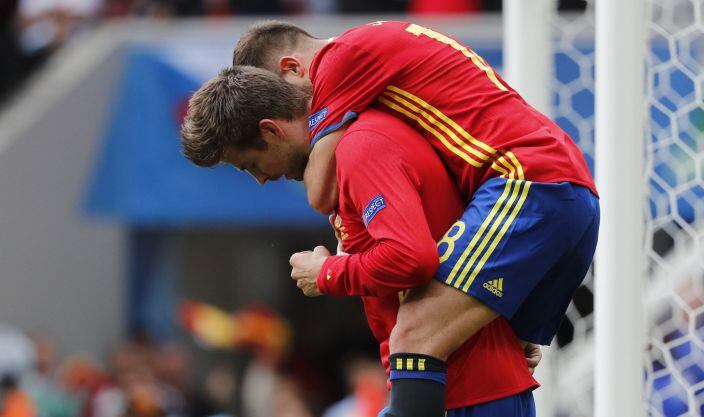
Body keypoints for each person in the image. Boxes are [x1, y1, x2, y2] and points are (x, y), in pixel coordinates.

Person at [230, 20, 599, 417]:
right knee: (490, 347)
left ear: (292, 68)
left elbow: (321, 192)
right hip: (561, 189)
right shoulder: (375, 58)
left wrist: (328, 271)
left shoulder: (340, 61)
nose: (296, 109)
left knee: (415, 337)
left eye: (280, 99)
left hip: (527, 183)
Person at [180, 66, 540, 416]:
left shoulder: (362, 148)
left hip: (468, 390)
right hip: (448, 383)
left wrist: (327, 274)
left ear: (271, 131)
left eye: (251, 164)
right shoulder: (348, 153)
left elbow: (411, 257)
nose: (260, 179)